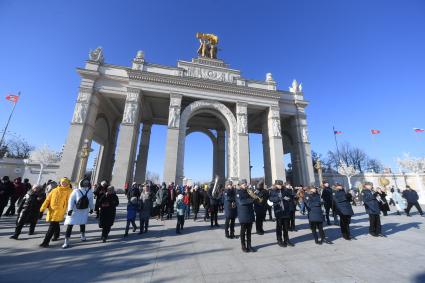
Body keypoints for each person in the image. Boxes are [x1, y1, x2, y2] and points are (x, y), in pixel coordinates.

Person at [39, 177, 73, 247]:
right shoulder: (54, 190)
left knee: (52, 226)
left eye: (65, 183)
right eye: (62, 182)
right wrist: (42, 209)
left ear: (68, 183)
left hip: (60, 211)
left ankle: (45, 242)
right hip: (51, 210)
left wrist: (70, 211)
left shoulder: (70, 191)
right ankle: (56, 235)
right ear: (60, 183)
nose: (63, 184)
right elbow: (47, 200)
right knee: (55, 223)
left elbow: (71, 202)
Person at [62, 178, 94, 249]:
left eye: (86, 183)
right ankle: (68, 240)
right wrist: (69, 209)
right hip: (79, 211)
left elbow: (91, 201)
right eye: (85, 183)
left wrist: (92, 208)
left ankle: (80, 237)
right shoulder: (81, 191)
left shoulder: (84, 191)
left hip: (79, 211)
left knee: (77, 225)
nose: (85, 184)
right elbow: (71, 200)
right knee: (74, 225)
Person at [268, 180, 295, 247]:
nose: (280, 186)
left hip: (286, 210)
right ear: (276, 185)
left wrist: (287, 198)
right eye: (279, 185)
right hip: (278, 211)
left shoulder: (285, 190)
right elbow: (270, 199)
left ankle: (286, 240)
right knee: (279, 227)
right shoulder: (272, 191)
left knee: (286, 227)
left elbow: (290, 198)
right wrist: (278, 198)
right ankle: (279, 240)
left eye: (281, 185)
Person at [236, 179, 256, 252]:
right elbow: (241, 202)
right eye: (244, 184)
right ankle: (243, 246)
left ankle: (249, 245)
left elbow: (253, 198)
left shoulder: (249, 191)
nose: (246, 185)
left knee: (249, 231)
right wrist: (251, 200)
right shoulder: (238, 192)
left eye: (246, 184)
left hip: (250, 213)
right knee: (243, 231)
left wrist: (255, 197)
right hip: (243, 214)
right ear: (240, 185)